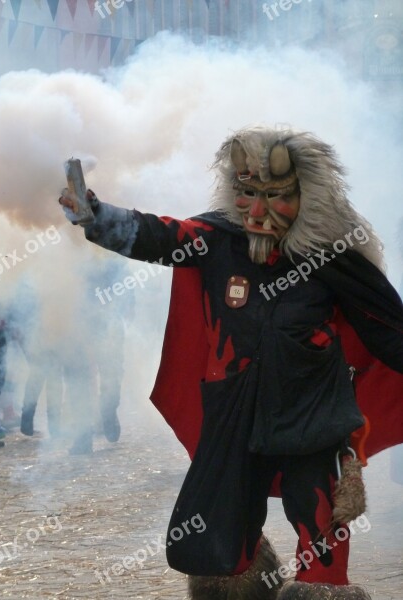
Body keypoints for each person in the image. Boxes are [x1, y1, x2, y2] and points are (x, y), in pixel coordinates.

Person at [59, 127, 403, 600]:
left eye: (276, 197)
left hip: (313, 420)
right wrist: (95, 215)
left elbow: (390, 335)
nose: (257, 211)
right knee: (220, 539)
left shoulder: (331, 258)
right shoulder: (215, 240)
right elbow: (158, 235)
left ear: (307, 195)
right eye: (246, 194)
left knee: (321, 542)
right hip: (235, 418)